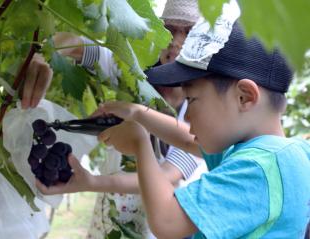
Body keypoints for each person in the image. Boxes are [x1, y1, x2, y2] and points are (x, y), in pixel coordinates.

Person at [66, 1, 310, 238]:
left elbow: (167, 223)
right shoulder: (286, 154)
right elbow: (189, 141)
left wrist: (140, 143)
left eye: (192, 99)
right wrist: (138, 113)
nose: (188, 115)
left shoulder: (257, 168)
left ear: (244, 97)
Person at [27, 0, 204, 237]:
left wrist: (92, 182)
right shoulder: (135, 74)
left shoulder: (202, 108)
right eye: (170, 30)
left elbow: (166, 175)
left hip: (156, 223)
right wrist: (43, 55)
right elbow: (78, 45)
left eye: (189, 32)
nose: (177, 41)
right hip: (109, 212)